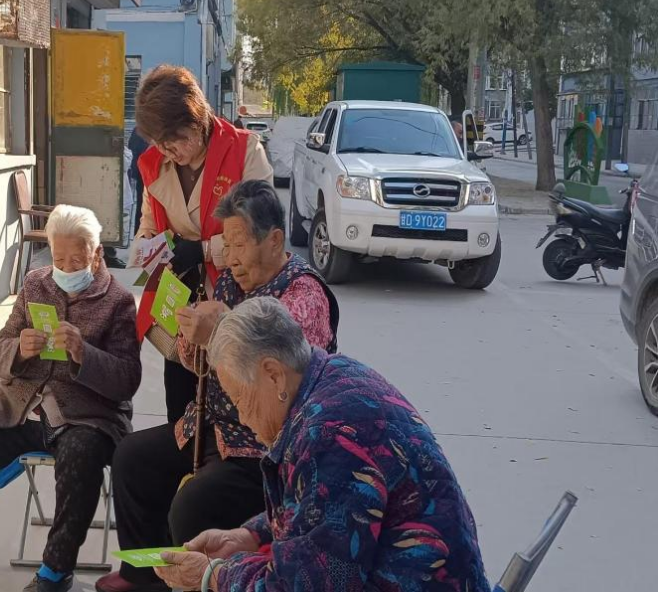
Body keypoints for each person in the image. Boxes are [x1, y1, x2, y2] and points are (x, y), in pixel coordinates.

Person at [96, 180, 339, 592]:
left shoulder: (304, 293)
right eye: (226, 245)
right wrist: (191, 335)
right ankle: (144, 577)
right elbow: (201, 364)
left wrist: (220, 327)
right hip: (209, 424)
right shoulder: (228, 282)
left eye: (240, 244)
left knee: (192, 506)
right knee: (133, 458)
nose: (232, 257)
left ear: (274, 240)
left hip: (260, 441)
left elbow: (281, 371)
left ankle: (194, 579)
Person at [154, 297, 490, 592]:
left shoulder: (330, 436)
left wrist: (214, 575)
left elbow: (307, 584)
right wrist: (251, 536)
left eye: (240, 398)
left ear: (273, 375)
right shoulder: (331, 372)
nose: (242, 417)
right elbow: (321, 514)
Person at [0, 205, 142, 592]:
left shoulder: (118, 301)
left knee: (81, 455)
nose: (67, 268)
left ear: (96, 254)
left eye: (77, 259)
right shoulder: (34, 285)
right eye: (59, 259)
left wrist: (84, 354)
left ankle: (56, 570)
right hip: (22, 409)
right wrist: (19, 349)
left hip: (86, 417)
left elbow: (127, 380)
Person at [131, 65, 274, 423]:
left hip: (234, 300)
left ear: (196, 120)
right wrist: (149, 247)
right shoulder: (155, 163)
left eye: (174, 140)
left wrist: (205, 249)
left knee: (235, 410)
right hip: (180, 304)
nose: (168, 150)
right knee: (180, 410)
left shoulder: (243, 150)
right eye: (159, 143)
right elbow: (148, 222)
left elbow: (261, 230)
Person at [126, 128, 150, 235]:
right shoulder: (139, 132)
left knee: (142, 208)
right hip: (146, 174)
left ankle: (139, 236)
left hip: (143, 174)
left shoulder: (139, 130)